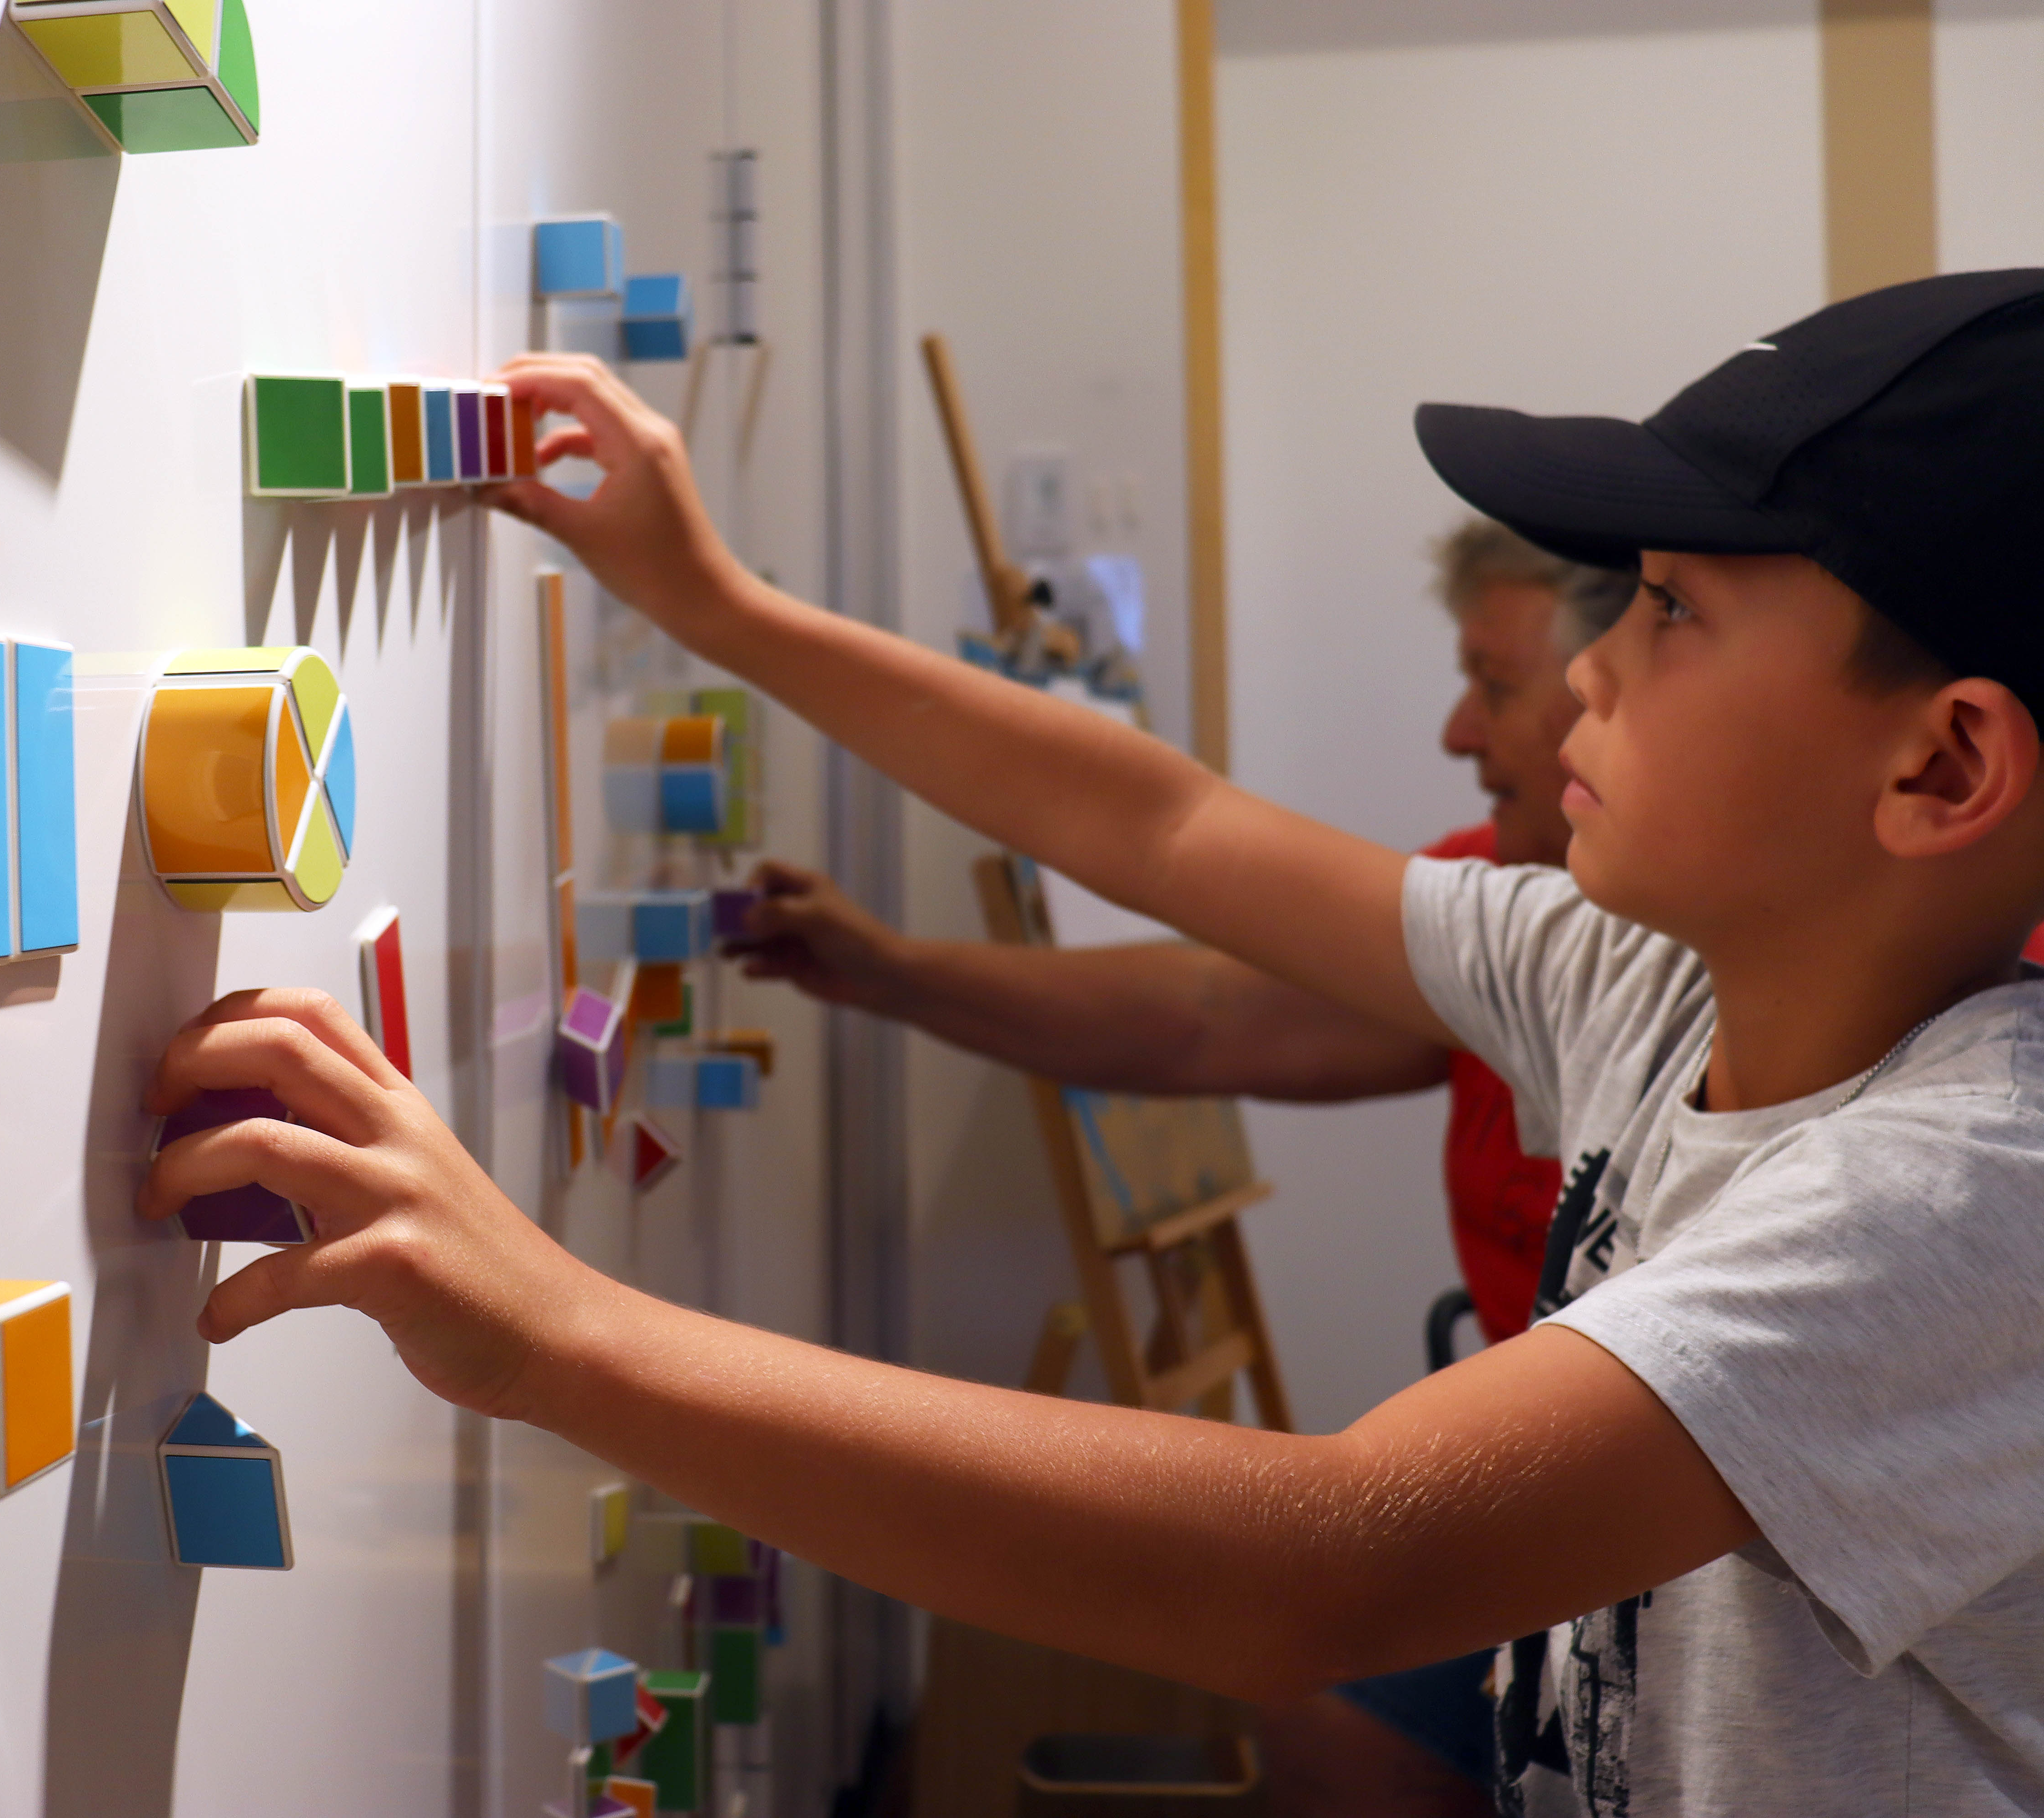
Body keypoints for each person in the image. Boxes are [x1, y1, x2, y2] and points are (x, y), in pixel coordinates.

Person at [141, 269, 2044, 1814]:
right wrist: (715, 605)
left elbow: (1324, 1563)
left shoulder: (1974, 1189)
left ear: (1941, 763)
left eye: (1680, 610)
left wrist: (555, 1328)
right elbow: (1166, 830)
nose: (1591, 665)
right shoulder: (1655, 976)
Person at [716, 521, 1629, 1813]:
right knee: (1328, 1719)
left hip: (1602, 1533)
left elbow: (1171, 851)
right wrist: (891, 970)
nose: (1457, 736)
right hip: (1530, 1505)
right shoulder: (1528, 927)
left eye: (1494, 686)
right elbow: (1203, 991)